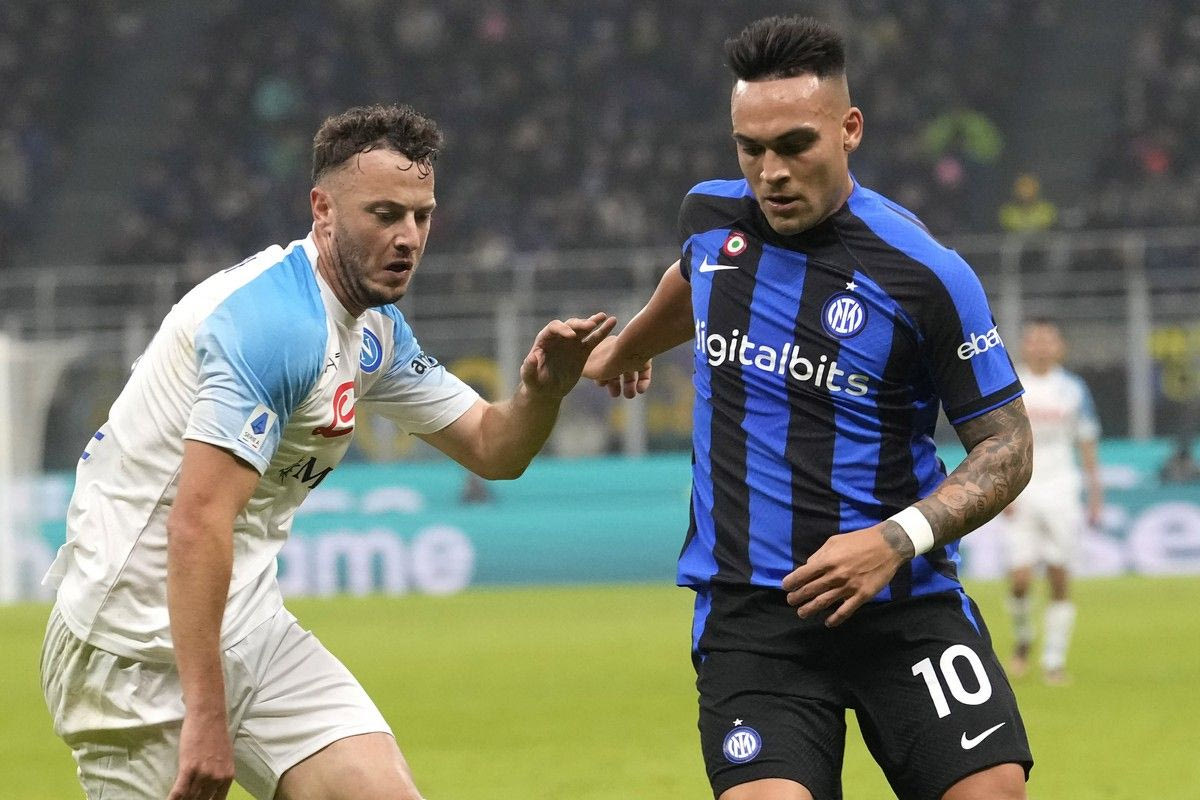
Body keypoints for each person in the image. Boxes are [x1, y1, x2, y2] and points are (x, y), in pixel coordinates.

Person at [40, 104, 614, 800]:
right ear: (323, 211)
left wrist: (543, 393)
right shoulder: (275, 325)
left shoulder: (375, 329)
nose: (408, 238)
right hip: (131, 652)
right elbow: (197, 521)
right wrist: (207, 717)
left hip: (247, 626)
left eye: (422, 217)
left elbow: (494, 448)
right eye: (385, 215)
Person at [584, 16, 1034, 800]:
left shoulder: (927, 276)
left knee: (992, 790)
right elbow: (689, 278)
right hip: (755, 616)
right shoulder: (710, 218)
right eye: (750, 149)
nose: (771, 173)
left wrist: (895, 539)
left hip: (902, 599)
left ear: (849, 129)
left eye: (795, 146)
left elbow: (1009, 447)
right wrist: (627, 348)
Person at [1003, 320, 1101, 685]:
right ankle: (1024, 638)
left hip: (1061, 489)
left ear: (1060, 347)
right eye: (1034, 340)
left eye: (1048, 340)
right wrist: (1003, 490)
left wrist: (1095, 493)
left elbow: (1086, 441)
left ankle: (1053, 660)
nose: (1041, 346)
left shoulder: (1073, 389)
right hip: (1021, 488)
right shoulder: (1012, 383)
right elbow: (1001, 439)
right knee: (1020, 579)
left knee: (1060, 575)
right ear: (1024, 346)